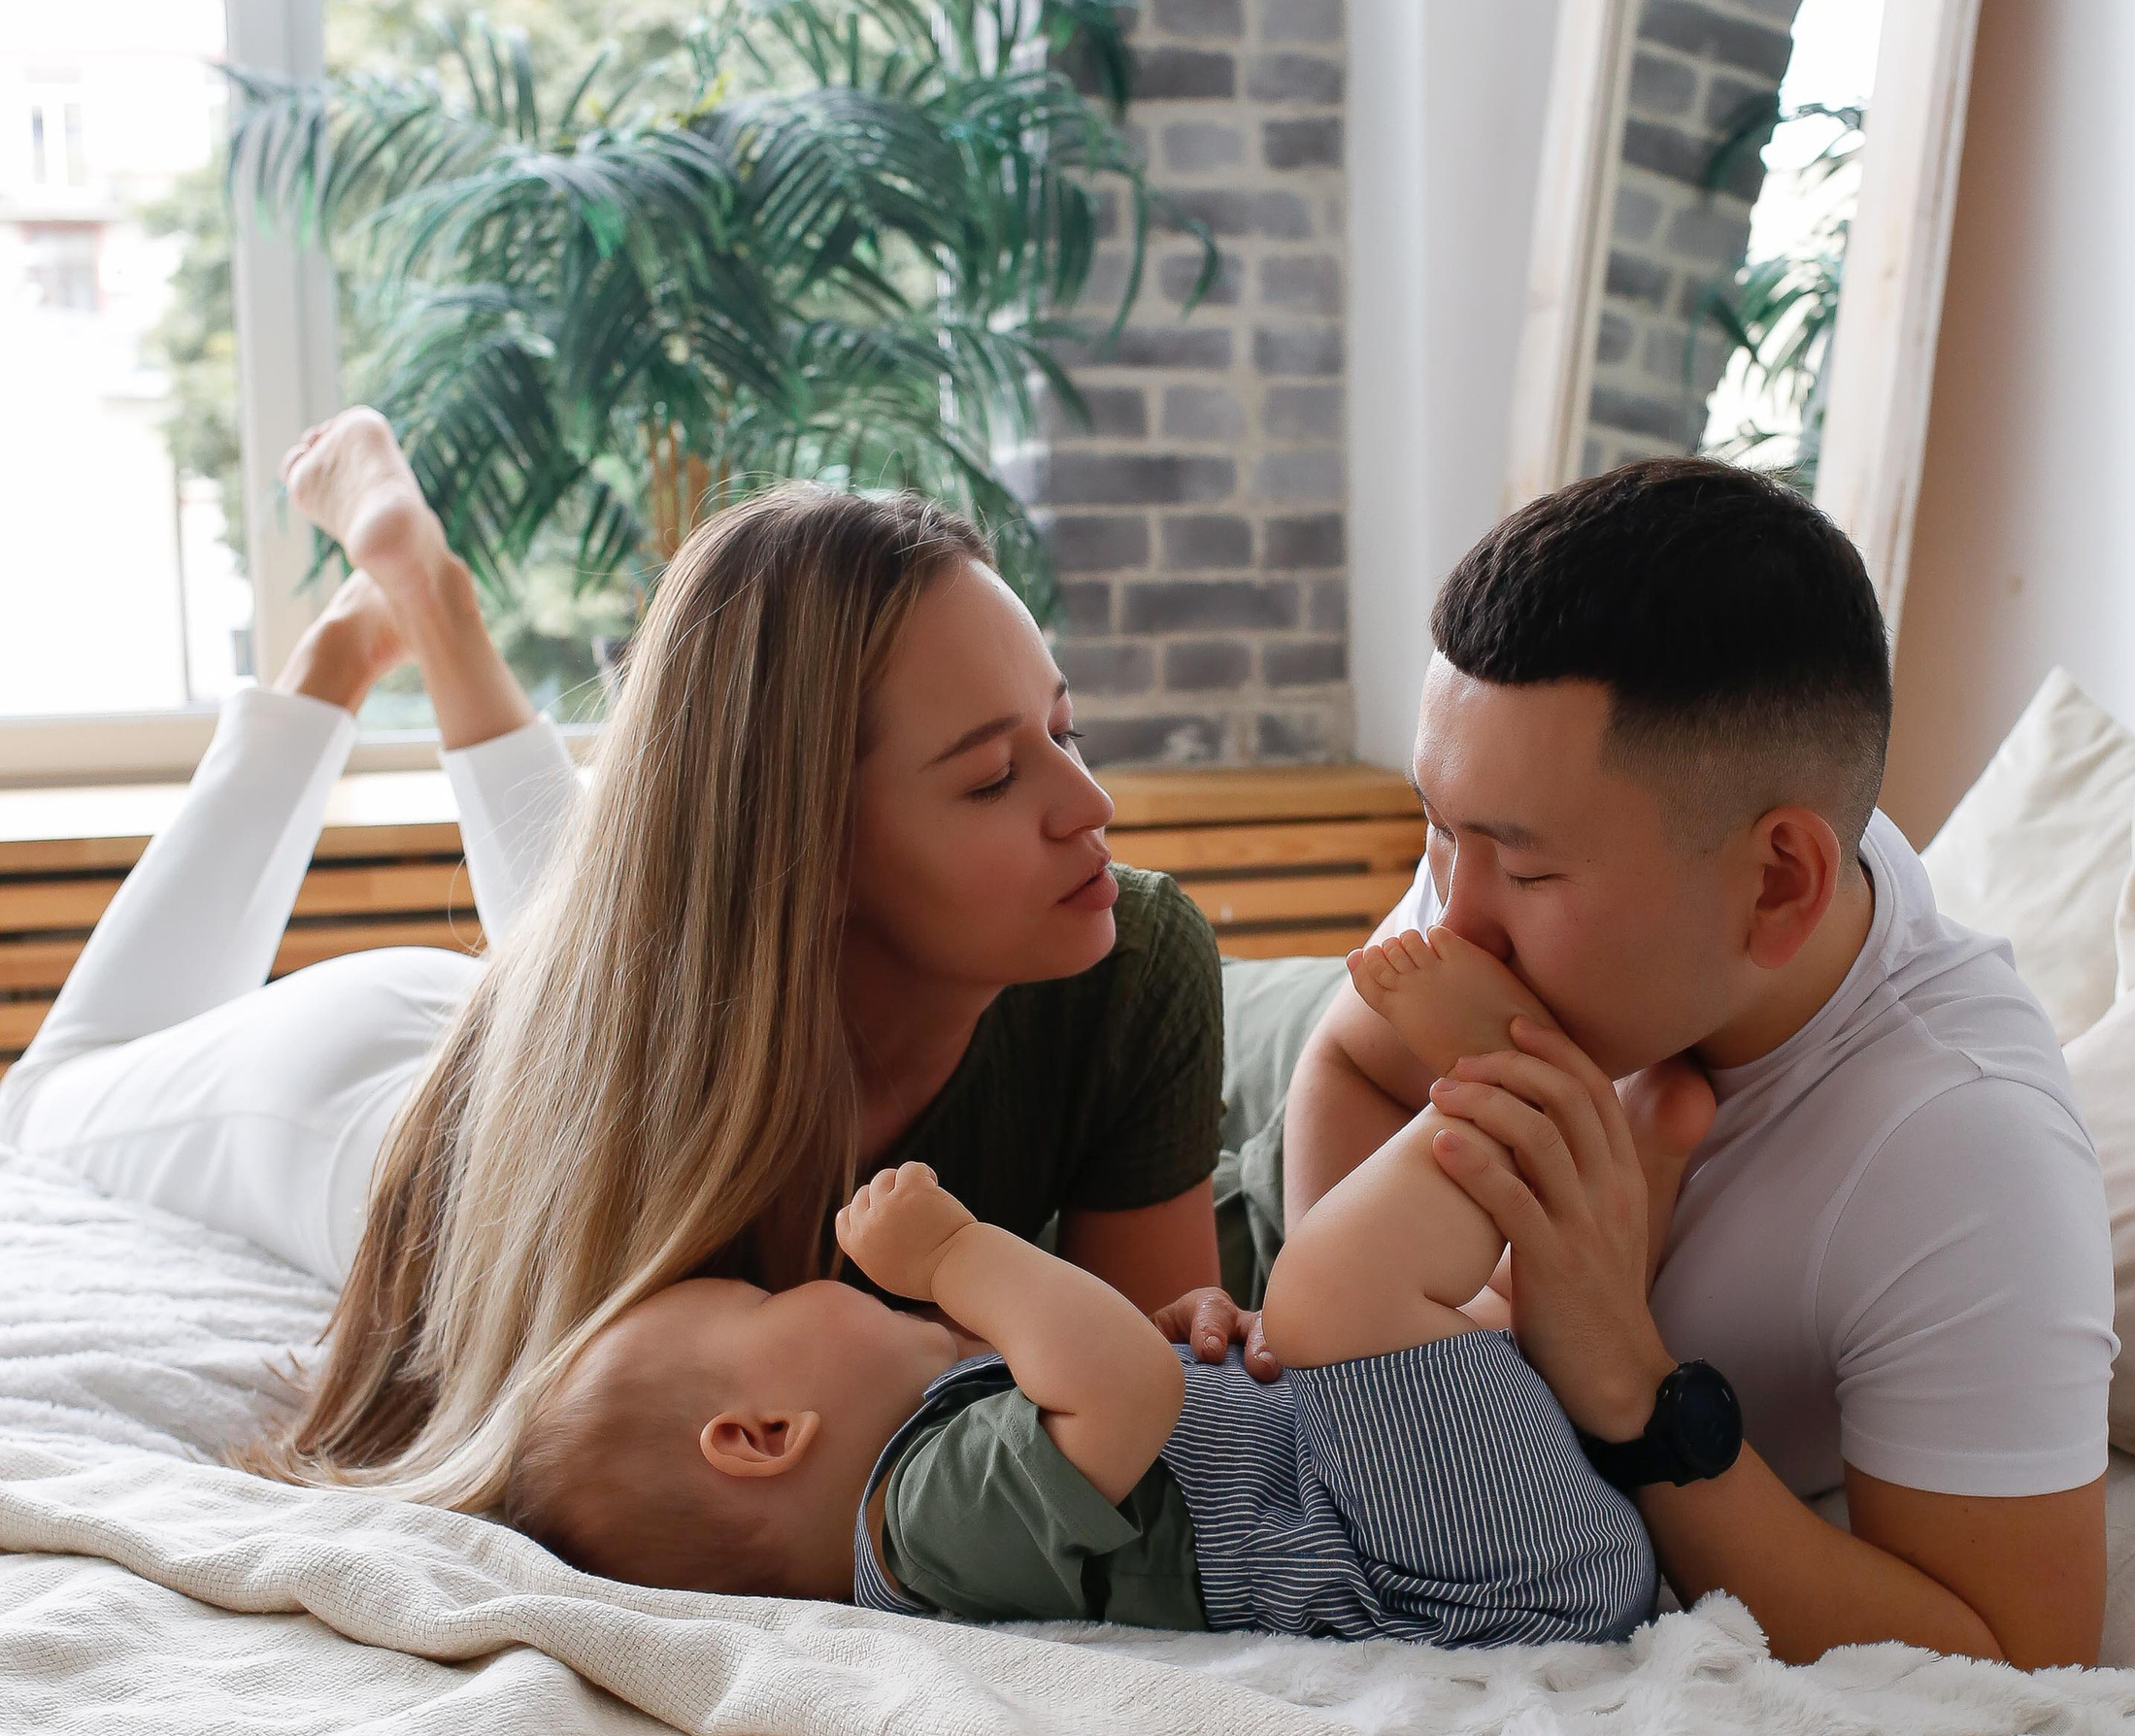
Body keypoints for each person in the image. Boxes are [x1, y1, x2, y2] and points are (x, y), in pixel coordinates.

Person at [0, 413, 1227, 1509]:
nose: (1092, 806)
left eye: (1065, 728)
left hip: (633, 1010)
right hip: (358, 1087)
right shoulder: (595, 1128)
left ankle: (430, 602)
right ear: (809, 844)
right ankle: (331, 668)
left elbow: (1165, 1415)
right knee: (48, 1096)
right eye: (995, 776)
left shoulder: (1131, 958)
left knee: (622, 931)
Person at [1271, 458, 2118, 1672]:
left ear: (1777, 884)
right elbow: (1354, 1059)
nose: (1450, 927)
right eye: (1437, 829)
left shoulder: (1961, 1152)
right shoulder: (1521, 851)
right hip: (1269, 1094)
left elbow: (2019, 1659)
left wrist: (1628, 1384)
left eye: (1527, 869)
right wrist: (1349, 1380)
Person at [499, 918, 1667, 1647]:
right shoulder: (916, 1522)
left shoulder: (951, 1484)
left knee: (1453, 1318)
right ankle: (1522, 1085)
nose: (808, 1284)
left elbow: (1132, 1384)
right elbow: (1121, 1392)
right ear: (762, 1436)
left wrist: (1178, 1336)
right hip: (1454, 1573)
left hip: (1452, 1525)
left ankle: (1629, 1156)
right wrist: (952, 1254)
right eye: (765, 1306)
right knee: (1332, 1295)